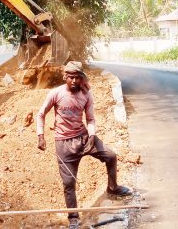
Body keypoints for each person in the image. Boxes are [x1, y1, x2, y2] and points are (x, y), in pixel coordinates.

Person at [36, 61, 132, 229]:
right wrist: (41, 136)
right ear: (65, 76)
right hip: (64, 143)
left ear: (82, 78)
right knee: (68, 184)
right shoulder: (55, 93)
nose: (74, 81)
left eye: (77, 77)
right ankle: (73, 218)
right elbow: (41, 114)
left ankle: (113, 187)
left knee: (111, 155)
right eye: (70, 77)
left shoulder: (86, 94)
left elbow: (90, 119)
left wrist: (92, 135)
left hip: (83, 137)